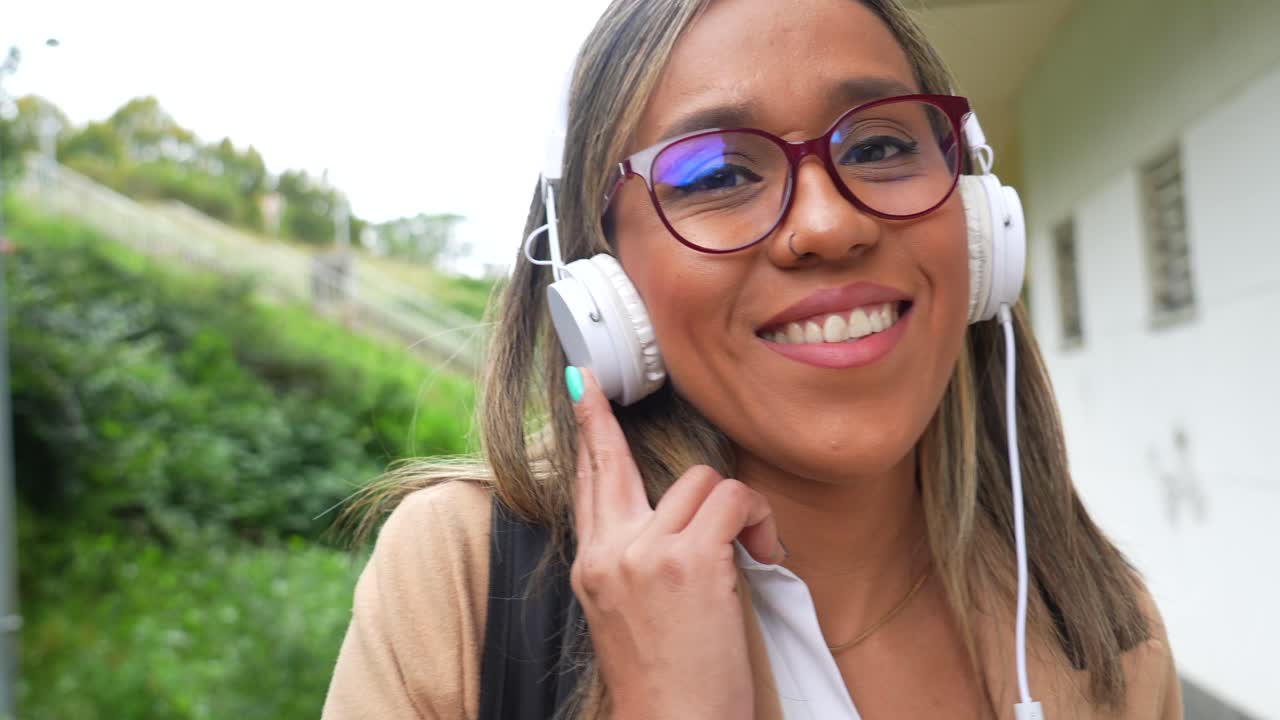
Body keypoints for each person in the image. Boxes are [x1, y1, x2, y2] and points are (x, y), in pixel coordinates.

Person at [322, 0, 1182, 718]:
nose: (829, 225)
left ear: (979, 217)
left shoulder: (1107, 631)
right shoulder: (467, 581)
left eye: (880, 146)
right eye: (715, 174)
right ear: (603, 283)